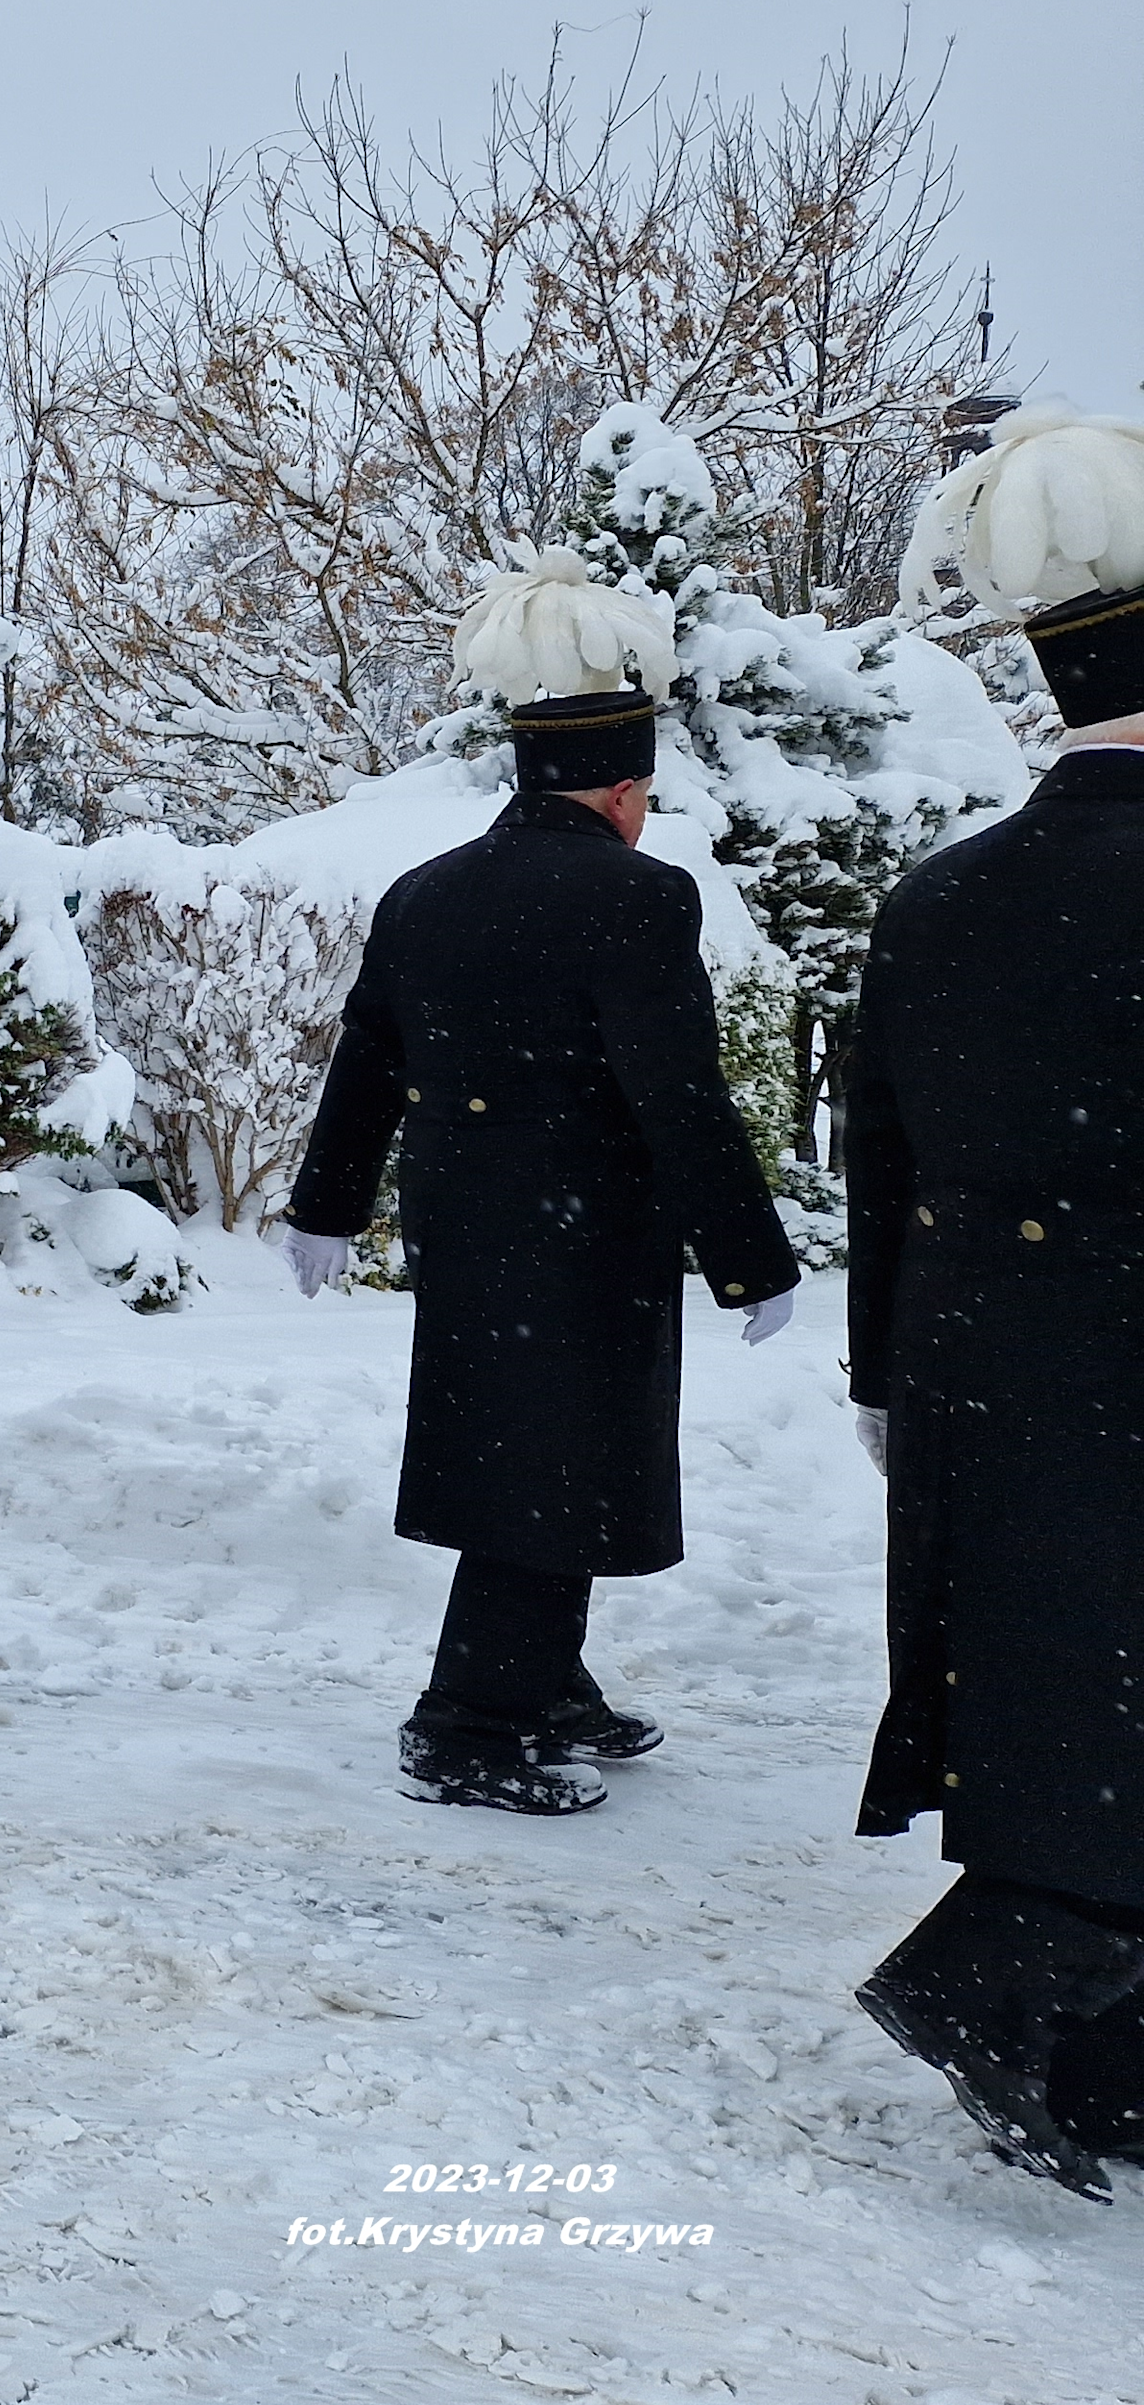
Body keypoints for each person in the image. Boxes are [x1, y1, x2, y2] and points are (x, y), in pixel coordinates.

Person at [281, 545, 798, 1816]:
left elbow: (368, 1058)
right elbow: (677, 1092)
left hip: (470, 1232)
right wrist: (748, 1255)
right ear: (624, 788)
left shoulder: (424, 891)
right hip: (586, 1240)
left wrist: (327, 1205)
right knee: (556, 1467)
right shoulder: (636, 896)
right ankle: (467, 1723)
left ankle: (545, 1680)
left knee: (523, 1457)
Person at [841, 402, 1144, 2198]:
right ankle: (985, 1983)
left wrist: (893, 1380)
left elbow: (880, 1157)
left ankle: (1105, 2059)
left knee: (1066, 1700)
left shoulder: (939, 898)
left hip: (987, 1360)